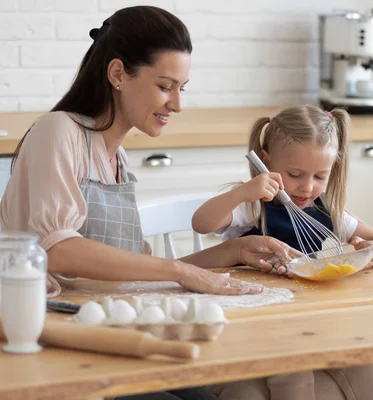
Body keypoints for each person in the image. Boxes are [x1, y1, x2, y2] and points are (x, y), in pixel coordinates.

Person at [0, 6, 300, 400]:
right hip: (56, 344)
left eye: (182, 88)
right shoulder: (59, 132)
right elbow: (58, 251)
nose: (177, 104)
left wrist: (234, 250)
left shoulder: (116, 157)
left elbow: (134, 275)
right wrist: (179, 271)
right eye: (165, 86)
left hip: (110, 332)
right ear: (118, 74)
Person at [193, 105, 373, 400]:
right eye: (295, 174)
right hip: (263, 331)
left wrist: (372, 252)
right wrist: (242, 192)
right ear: (266, 162)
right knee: (294, 372)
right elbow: (201, 223)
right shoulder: (254, 205)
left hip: (321, 325)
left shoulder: (328, 211)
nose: (307, 186)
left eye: (320, 176)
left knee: (365, 366)